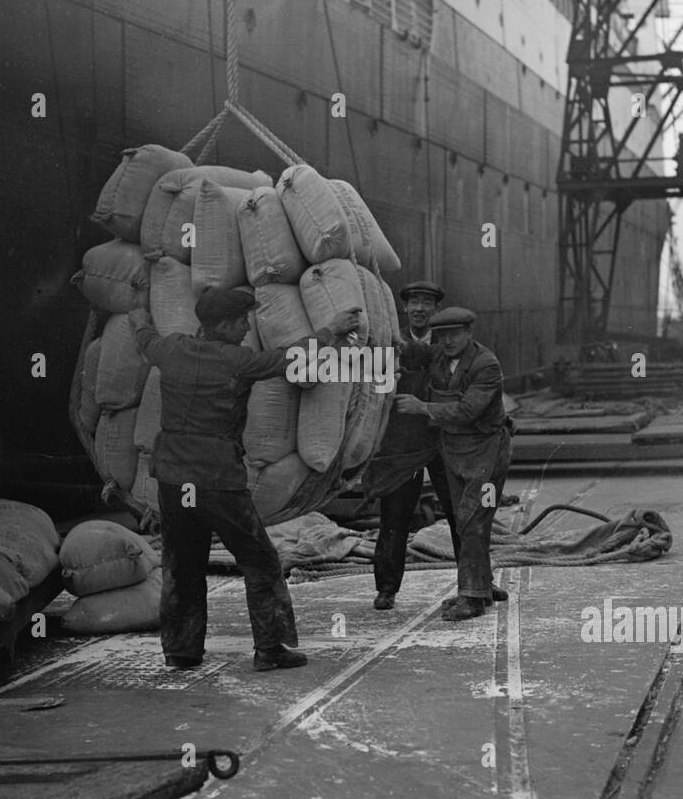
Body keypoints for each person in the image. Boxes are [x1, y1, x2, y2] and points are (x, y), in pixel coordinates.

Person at [129, 289, 364, 670]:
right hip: (216, 477)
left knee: (182, 562)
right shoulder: (237, 361)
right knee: (260, 559)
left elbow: (143, 337)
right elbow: (288, 358)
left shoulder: (170, 350)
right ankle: (270, 648)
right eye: (241, 321)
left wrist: (138, 311)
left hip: (173, 477)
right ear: (221, 325)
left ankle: (181, 650)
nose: (246, 327)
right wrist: (330, 331)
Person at [393, 307, 512, 621]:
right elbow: (413, 352)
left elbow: (468, 410)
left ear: (469, 333)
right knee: (466, 522)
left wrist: (421, 407)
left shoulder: (485, 364)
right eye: (441, 336)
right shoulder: (438, 359)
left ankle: (472, 597)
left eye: (454, 335)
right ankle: (481, 587)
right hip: (455, 452)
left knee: (473, 520)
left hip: (486, 452)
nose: (447, 342)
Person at [363, 280, 462, 611]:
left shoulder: (449, 344)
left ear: (436, 309)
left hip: (442, 439)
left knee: (461, 512)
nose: (419, 308)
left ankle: (476, 582)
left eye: (426, 303)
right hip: (401, 443)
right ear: (405, 308)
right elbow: (373, 391)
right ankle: (386, 588)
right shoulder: (389, 342)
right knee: (395, 517)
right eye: (414, 303)